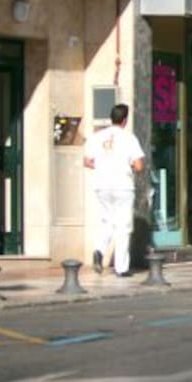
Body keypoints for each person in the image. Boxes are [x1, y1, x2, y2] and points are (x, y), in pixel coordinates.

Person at [83, 104, 145, 277]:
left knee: (106, 221)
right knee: (123, 226)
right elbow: (139, 165)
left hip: (102, 185)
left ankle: (99, 250)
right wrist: (128, 165)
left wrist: (103, 166)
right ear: (125, 120)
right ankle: (121, 268)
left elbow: (87, 161)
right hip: (123, 186)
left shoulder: (97, 137)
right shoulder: (129, 138)